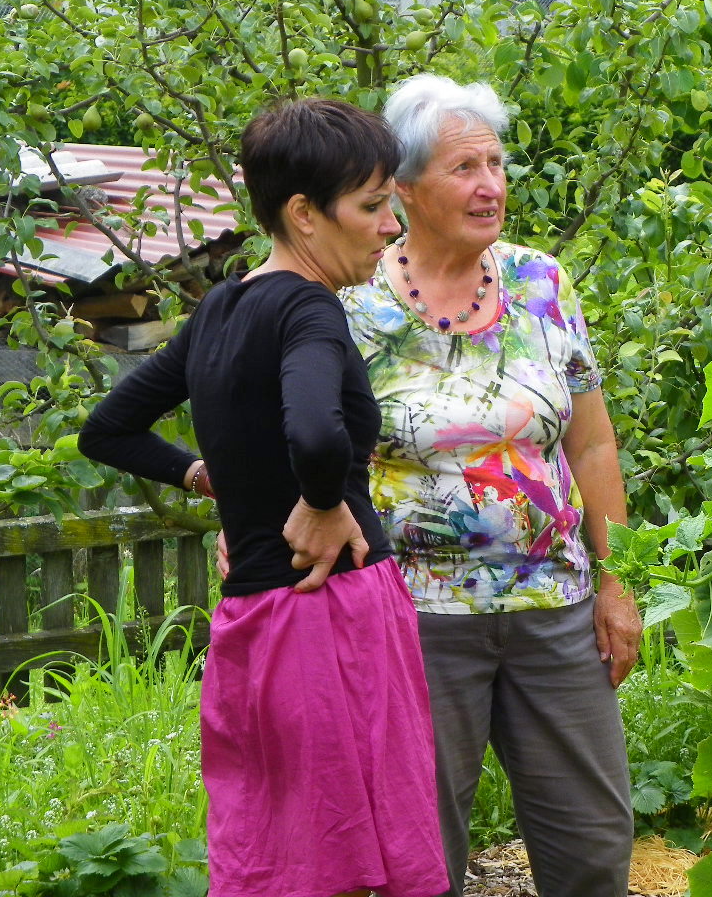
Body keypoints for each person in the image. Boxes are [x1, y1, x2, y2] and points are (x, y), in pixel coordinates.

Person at [78, 98, 447, 897]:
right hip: (332, 616)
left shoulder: (220, 308)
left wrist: (208, 476)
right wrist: (322, 502)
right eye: (372, 207)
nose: (391, 226)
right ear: (304, 214)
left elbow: (107, 430)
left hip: (252, 624)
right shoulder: (310, 307)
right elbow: (315, 433)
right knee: (354, 860)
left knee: (279, 857)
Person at [339, 73, 643, 897]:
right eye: (464, 168)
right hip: (412, 618)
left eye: (497, 164)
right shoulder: (353, 299)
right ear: (404, 189)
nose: (490, 186)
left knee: (592, 841)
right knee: (418, 850)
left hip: (556, 607)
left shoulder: (542, 281)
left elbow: (593, 443)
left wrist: (618, 581)